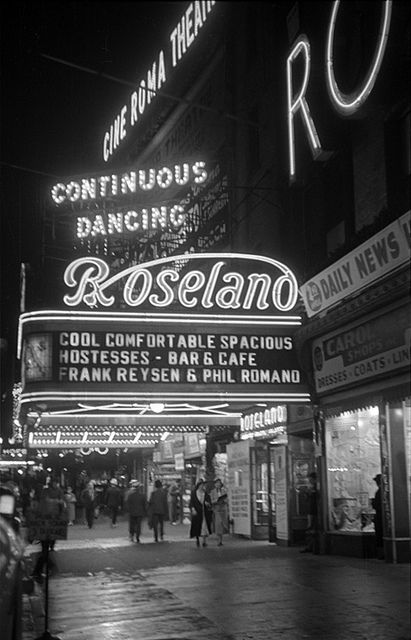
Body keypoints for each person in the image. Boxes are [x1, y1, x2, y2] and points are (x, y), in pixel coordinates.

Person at [32, 477, 65, 581]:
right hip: (49, 522)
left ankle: (40, 569)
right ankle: (47, 567)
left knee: (45, 548)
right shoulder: (51, 492)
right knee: (45, 548)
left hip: (48, 522)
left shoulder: (46, 492)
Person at [189, 479, 213, 547]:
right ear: (199, 485)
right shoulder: (194, 493)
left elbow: (209, 502)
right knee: (197, 526)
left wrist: (207, 503)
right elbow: (192, 502)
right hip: (197, 512)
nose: (203, 486)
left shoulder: (205, 493)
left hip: (204, 513)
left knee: (204, 526)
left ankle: (204, 541)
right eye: (201, 485)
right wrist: (193, 509)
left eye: (203, 485)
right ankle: (197, 539)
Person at [300, 471, 318, 553]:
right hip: (311, 510)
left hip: (314, 511)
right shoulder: (311, 488)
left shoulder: (316, 488)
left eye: (311, 479)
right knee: (310, 528)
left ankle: (312, 546)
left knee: (311, 528)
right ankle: (310, 546)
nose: (310, 481)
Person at [210, 478, 229, 546]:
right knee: (218, 524)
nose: (218, 484)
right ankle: (219, 540)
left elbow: (227, 499)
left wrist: (224, 500)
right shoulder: (212, 492)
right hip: (217, 509)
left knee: (223, 524)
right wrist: (216, 501)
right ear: (215, 484)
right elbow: (211, 501)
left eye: (219, 483)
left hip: (223, 509)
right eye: (217, 483)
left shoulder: (224, 491)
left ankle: (221, 539)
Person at [371, 473, 384, 559]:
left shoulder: (379, 492)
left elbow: (376, 505)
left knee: (379, 536)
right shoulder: (382, 492)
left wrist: (373, 502)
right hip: (381, 517)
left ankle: (381, 554)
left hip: (380, 517)